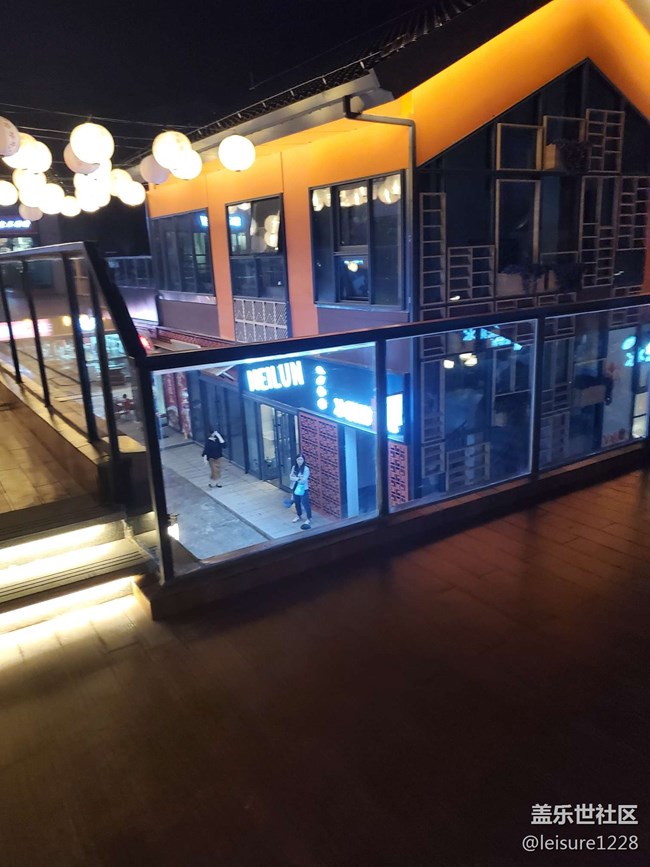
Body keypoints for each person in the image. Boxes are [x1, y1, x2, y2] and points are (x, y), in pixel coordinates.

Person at [289, 454, 312, 529]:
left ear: (303, 460)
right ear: (296, 460)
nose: (299, 461)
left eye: (301, 459)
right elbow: (290, 477)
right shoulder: (294, 467)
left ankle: (309, 518)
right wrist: (298, 478)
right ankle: (299, 515)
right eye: (298, 459)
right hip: (295, 487)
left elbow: (303, 480)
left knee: (305, 503)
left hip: (303, 488)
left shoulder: (306, 469)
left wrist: (296, 478)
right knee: (297, 502)